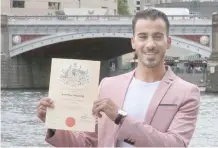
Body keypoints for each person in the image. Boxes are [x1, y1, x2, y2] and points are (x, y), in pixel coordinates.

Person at [37, 8, 200, 147]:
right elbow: (88, 143)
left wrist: (120, 117)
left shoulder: (186, 92)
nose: (150, 44)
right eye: (143, 37)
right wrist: (54, 124)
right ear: (133, 42)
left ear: (168, 42)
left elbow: (175, 144)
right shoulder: (108, 86)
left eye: (157, 36)